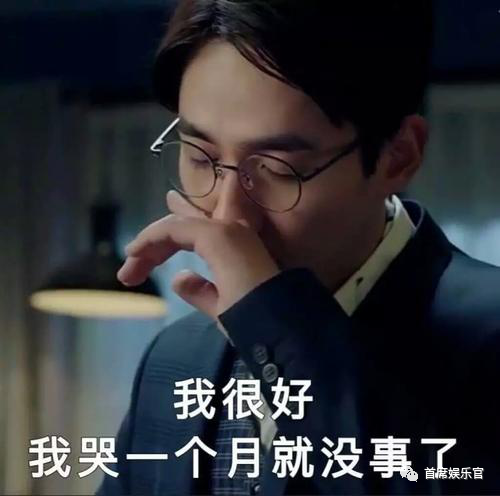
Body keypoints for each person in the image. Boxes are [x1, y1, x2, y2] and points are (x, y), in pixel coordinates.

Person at [97, 1, 500, 494]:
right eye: (200, 157)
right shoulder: (175, 357)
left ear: (398, 156)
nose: (227, 217)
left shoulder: (488, 335)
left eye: (277, 168)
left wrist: (275, 329)